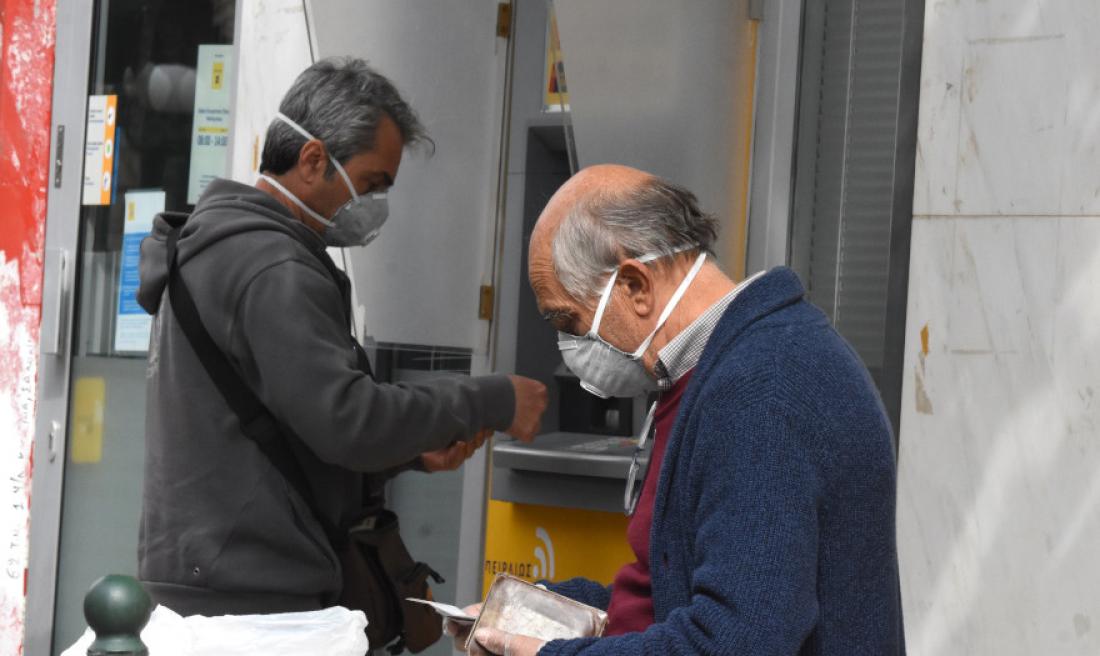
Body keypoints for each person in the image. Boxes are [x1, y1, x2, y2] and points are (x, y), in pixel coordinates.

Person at [136, 57, 547, 615]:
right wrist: (493, 399)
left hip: (214, 575)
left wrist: (408, 454)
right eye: (372, 184)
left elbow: (293, 422)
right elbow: (349, 420)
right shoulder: (272, 264)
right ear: (313, 160)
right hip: (253, 596)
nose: (375, 207)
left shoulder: (223, 243)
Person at [451, 165, 904, 655]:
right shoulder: (725, 367)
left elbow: (734, 642)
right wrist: (542, 615)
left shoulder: (763, 387)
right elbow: (673, 595)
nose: (570, 346)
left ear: (635, 286)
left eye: (569, 322)